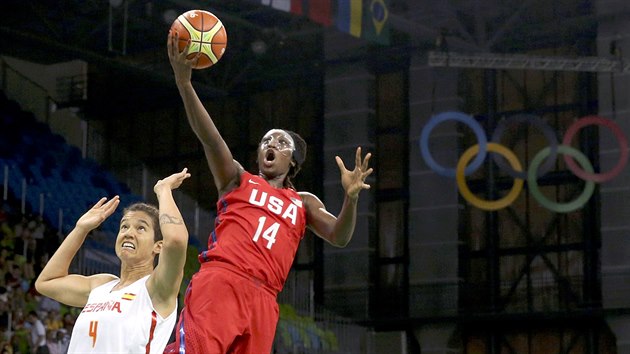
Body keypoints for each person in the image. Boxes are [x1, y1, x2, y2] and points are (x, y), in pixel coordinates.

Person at [165, 31, 374, 354]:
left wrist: (352, 198)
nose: (271, 145)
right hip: (223, 280)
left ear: (293, 162)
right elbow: (211, 138)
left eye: (281, 143)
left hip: (265, 299)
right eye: (266, 140)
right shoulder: (237, 179)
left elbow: (340, 236)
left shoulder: (304, 202)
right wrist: (185, 84)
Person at [34, 169, 191, 354]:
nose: (128, 233)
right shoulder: (101, 285)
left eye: (141, 228)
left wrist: (163, 190)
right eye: (124, 226)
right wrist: (80, 229)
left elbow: (176, 241)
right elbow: (46, 283)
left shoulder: (156, 288)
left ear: (158, 246)